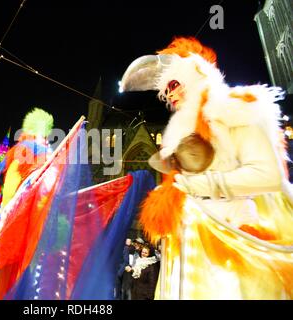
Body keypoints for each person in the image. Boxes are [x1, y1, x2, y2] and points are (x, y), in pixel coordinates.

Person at [120, 36, 293, 299]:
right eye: (166, 91)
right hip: (188, 248)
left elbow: (269, 174)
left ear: (196, 75)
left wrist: (208, 185)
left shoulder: (234, 110)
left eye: (174, 84)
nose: (170, 95)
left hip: (233, 242)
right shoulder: (181, 136)